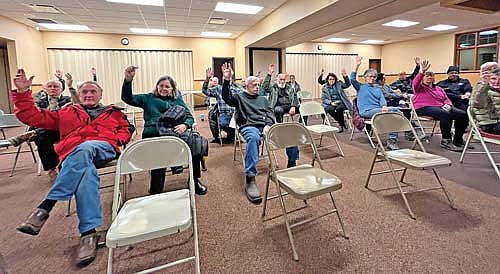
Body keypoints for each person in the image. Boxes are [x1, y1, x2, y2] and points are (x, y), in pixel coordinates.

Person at [13, 69, 134, 267]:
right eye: (84, 91)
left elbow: (126, 129)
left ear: (100, 95)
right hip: (75, 156)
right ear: (79, 94)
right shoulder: (67, 112)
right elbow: (32, 117)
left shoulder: (113, 112)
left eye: (93, 92)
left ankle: (47, 205)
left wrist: (119, 138)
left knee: (85, 148)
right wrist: (22, 94)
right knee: (85, 175)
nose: (88, 94)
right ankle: (88, 234)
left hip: (103, 148)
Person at [121, 66, 207, 195]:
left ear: (172, 89)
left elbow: (189, 117)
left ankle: (194, 180)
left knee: (196, 146)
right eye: (161, 86)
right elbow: (127, 98)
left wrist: (185, 125)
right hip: (154, 134)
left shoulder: (177, 100)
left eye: (167, 86)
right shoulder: (148, 98)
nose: (164, 89)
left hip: (175, 134)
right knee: (160, 154)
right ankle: (156, 188)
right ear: (157, 87)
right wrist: (128, 81)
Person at [221, 63, 299, 204]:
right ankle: (250, 178)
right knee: (253, 138)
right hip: (249, 127)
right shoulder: (239, 97)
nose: (257, 87)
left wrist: (268, 125)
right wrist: (227, 80)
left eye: (258, 84)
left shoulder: (263, 99)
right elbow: (226, 98)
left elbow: (270, 113)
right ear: (246, 86)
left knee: (290, 132)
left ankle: (292, 165)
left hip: (265, 126)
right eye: (254, 85)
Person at [413, 60, 468, 151]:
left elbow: (446, 99)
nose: (429, 77)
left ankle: (458, 140)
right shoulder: (419, 87)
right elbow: (415, 82)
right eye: (427, 76)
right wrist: (421, 72)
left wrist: (448, 105)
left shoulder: (438, 88)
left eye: (431, 76)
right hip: (422, 107)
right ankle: (446, 141)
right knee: (444, 114)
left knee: (462, 114)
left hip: (440, 107)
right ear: (423, 78)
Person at [350, 56, 401, 150]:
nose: (372, 78)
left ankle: (392, 140)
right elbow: (352, 79)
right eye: (370, 76)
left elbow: (382, 100)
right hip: (366, 111)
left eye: (374, 76)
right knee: (396, 110)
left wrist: (384, 106)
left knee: (393, 115)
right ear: (365, 77)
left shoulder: (378, 89)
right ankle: (402, 133)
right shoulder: (361, 87)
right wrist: (356, 65)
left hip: (378, 110)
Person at [30, 77, 72, 182]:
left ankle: (33, 133)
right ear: (45, 89)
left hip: (63, 130)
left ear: (61, 89)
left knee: (39, 133)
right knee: (42, 136)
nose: (52, 88)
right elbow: (35, 118)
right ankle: (52, 168)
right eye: (50, 86)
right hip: (45, 131)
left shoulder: (68, 100)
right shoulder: (39, 102)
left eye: (56, 86)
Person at [203, 68, 241, 144]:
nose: (228, 79)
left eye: (229, 77)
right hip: (224, 114)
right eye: (226, 77)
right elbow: (205, 91)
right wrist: (207, 79)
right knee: (223, 123)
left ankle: (232, 134)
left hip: (235, 114)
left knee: (241, 124)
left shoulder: (237, 89)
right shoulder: (218, 89)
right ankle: (231, 134)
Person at [470, 64, 500, 134]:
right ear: (487, 79)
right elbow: (477, 103)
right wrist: (484, 84)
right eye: (493, 78)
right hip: (489, 124)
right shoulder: (482, 90)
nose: (497, 82)